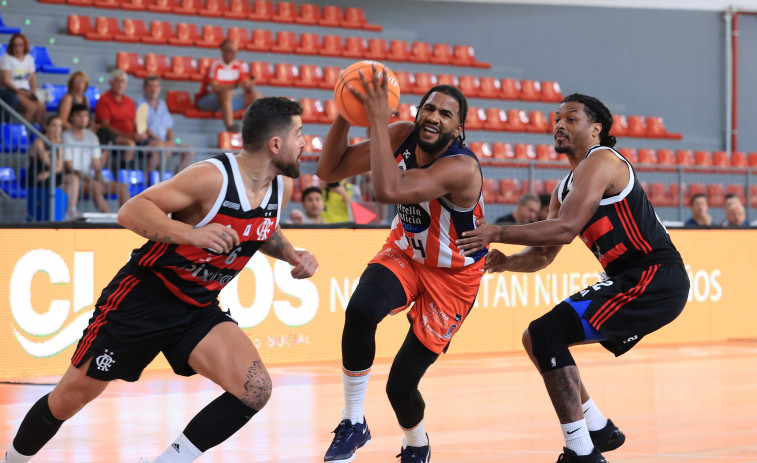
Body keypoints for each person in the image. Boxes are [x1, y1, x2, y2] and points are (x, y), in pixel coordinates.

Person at [2, 97, 318, 463]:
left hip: (197, 308)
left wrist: (292, 255)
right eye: (299, 133)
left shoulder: (282, 188)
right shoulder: (211, 178)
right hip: (145, 297)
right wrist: (191, 234)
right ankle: (12, 460)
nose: (305, 142)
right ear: (275, 144)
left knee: (255, 390)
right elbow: (131, 210)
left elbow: (264, 231)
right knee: (69, 397)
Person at [456, 93, 690, 463]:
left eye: (571, 119)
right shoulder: (562, 189)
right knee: (537, 337)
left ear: (596, 129)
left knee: (548, 332)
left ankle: (582, 451)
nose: (560, 125)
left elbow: (565, 229)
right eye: (556, 119)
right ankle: (598, 428)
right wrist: (506, 262)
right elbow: (545, 253)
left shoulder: (604, 161)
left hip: (655, 275)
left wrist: (496, 233)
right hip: (632, 278)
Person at [317, 72, 487, 463]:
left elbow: (388, 191)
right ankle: (352, 421)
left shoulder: (461, 167)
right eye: (428, 107)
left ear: (458, 129)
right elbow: (329, 172)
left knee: (401, 386)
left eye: (446, 114)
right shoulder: (399, 134)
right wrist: (346, 110)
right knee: (361, 309)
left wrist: (376, 120)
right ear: (417, 112)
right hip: (407, 253)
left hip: (454, 276)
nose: (434, 116)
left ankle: (416, 442)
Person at [63, 103, 129, 215]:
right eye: (79, 115)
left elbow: (97, 167)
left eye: (85, 115)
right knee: (95, 186)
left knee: (122, 187)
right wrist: (91, 179)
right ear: (71, 118)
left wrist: (101, 179)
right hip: (72, 180)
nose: (83, 119)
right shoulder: (65, 136)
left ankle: (128, 221)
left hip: (89, 179)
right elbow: (69, 168)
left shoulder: (92, 137)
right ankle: (108, 220)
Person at [195, 39, 261, 132]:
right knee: (226, 93)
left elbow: (245, 86)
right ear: (223, 50)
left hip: (228, 102)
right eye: (230, 51)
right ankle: (230, 127)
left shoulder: (238, 66)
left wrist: (249, 85)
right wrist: (236, 85)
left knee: (256, 95)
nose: (233, 54)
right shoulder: (215, 65)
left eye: (235, 51)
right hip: (208, 100)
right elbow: (214, 87)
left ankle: (258, 129)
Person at [136, 75, 194, 173]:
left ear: (159, 88)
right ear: (144, 88)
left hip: (164, 141)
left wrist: (171, 140)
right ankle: (158, 183)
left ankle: (177, 180)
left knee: (189, 151)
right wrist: (160, 141)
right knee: (164, 150)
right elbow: (143, 126)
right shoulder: (139, 103)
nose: (153, 89)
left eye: (156, 86)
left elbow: (168, 127)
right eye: (150, 86)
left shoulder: (162, 104)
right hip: (149, 141)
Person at [94, 69, 141, 167]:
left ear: (126, 84)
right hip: (111, 135)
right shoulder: (104, 99)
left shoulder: (129, 101)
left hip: (130, 135)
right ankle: (124, 176)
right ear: (110, 83)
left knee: (156, 145)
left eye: (122, 81)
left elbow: (134, 121)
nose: (120, 84)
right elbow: (105, 125)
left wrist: (139, 134)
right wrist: (128, 135)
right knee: (130, 144)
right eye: (117, 81)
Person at [0, 33, 46, 124]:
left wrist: (33, 90)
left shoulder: (29, 58)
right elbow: (5, 80)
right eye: (15, 45)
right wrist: (21, 92)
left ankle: (35, 133)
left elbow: (32, 77)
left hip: (26, 90)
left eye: (20, 45)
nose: (18, 48)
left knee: (41, 107)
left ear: (25, 46)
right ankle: (22, 134)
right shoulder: (6, 58)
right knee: (31, 107)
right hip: (12, 90)